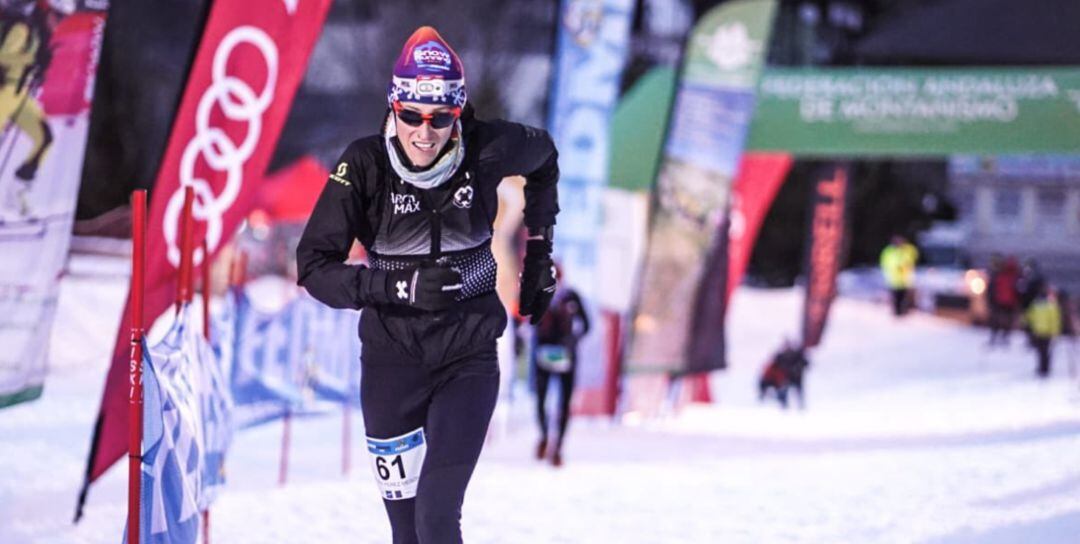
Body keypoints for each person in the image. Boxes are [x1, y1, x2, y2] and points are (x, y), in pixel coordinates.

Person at [296, 27, 559, 544]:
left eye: (441, 119)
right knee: (406, 532)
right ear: (394, 107)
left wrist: (539, 253)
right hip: (392, 362)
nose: (425, 132)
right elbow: (312, 266)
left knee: (437, 518)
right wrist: (395, 289)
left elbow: (544, 158)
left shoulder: (488, 149)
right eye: (412, 115)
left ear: (458, 114)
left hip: (469, 356)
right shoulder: (365, 164)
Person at [530, 268, 589, 467]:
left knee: (563, 403)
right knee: (541, 399)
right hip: (546, 355)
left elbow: (587, 324)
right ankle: (545, 437)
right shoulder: (541, 295)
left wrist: (572, 341)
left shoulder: (572, 297)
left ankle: (558, 448)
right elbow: (530, 321)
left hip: (566, 357)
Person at [757, 339, 810, 410]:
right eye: (785, 346)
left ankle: (801, 407)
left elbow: (806, 364)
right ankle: (784, 407)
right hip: (786, 378)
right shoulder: (781, 356)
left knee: (798, 392)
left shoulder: (797, 355)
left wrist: (798, 367)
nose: (787, 348)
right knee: (783, 390)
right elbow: (773, 366)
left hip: (797, 378)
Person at [1023, 285, 1061, 378]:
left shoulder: (1047, 304)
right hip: (1040, 332)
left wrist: (1055, 332)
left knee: (1044, 352)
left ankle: (1044, 369)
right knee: (1041, 352)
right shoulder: (1043, 304)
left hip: (1044, 333)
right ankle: (1043, 368)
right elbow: (1030, 316)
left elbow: (1054, 319)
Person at [879, 235, 918, 317]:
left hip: (905, 278)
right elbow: (886, 262)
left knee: (904, 295)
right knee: (896, 295)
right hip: (894, 277)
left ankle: (903, 311)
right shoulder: (889, 251)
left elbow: (912, 258)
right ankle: (897, 312)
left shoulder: (907, 249)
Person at [986, 255, 1021, 347]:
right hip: (1010, 302)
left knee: (997, 320)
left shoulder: (1001, 275)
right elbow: (1018, 290)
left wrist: (991, 299)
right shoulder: (1016, 276)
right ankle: (1005, 337)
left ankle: (995, 337)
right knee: (1007, 321)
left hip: (1000, 301)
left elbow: (994, 289)